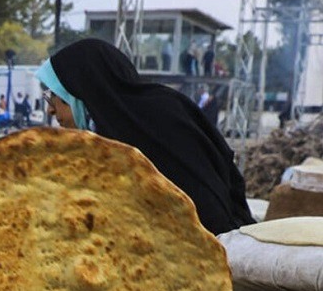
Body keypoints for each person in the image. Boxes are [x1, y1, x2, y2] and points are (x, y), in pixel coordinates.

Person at [36, 38, 254, 236]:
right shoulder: (105, 136)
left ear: (80, 89)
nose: (50, 110)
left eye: (52, 96)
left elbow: (205, 210)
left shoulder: (157, 119)